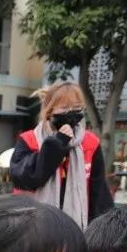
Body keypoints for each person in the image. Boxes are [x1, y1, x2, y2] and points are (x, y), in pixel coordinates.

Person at [10, 81, 112, 229]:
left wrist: (99, 228)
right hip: (32, 225)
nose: (71, 113)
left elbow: (98, 189)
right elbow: (25, 178)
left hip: (77, 225)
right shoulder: (29, 140)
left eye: (77, 108)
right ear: (49, 111)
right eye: (64, 108)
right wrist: (56, 144)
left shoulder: (90, 142)